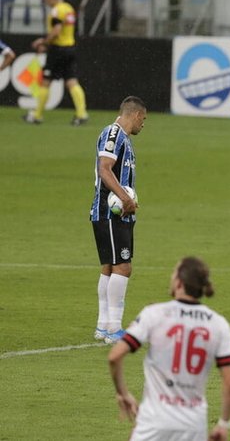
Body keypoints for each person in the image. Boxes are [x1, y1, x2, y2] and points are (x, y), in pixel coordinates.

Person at [108, 256, 230, 441]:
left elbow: (114, 356)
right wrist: (223, 424)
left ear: (179, 283)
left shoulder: (154, 314)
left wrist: (123, 393)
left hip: (154, 421)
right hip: (193, 425)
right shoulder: (218, 324)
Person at [91, 96, 147, 344]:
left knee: (109, 267)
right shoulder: (114, 134)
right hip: (110, 212)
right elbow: (105, 168)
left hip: (113, 212)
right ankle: (114, 329)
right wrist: (124, 198)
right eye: (143, 119)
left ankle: (103, 326)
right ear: (135, 115)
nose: (143, 124)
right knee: (123, 267)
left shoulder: (124, 139)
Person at [23, 0, 88, 125]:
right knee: (72, 81)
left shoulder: (56, 11)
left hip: (57, 50)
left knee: (46, 81)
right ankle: (81, 114)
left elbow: (57, 30)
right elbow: (64, 30)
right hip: (70, 47)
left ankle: (37, 115)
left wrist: (45, 43)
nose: (45, 2)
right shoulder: (69, 8)